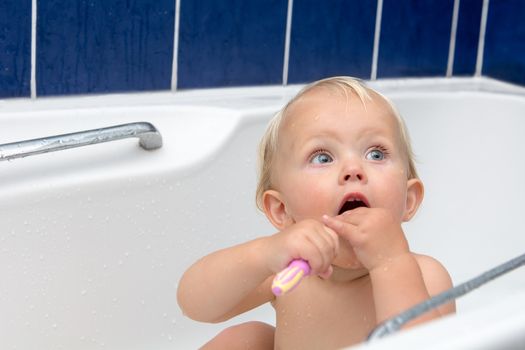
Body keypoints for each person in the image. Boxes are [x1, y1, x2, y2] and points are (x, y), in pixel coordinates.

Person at [177, 76, 455, 349]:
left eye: (376, 154)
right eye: (322, 157)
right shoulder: (290, 272)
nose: (353, 169)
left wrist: (390, 263)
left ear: (409, 200)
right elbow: (195, 306)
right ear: (282, 210)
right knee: (246, 339)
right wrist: (264, 254)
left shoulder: (425, 275)